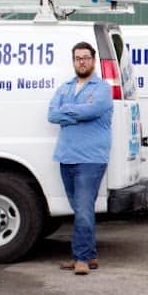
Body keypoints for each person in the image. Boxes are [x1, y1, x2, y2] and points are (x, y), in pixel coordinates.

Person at [48, 42, 113, 275]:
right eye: (77, 58)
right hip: (66, 156)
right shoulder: (65, 87)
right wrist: (77, 111)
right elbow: (52, 114)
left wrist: (68, 111)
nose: (81, 62)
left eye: (85, 57)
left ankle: (81, 259)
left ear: (93, 61)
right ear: (73, 61)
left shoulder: (102, 88)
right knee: (80, 209)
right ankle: (90, 254)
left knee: (84, 209)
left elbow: (93, 111)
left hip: (91, 158)